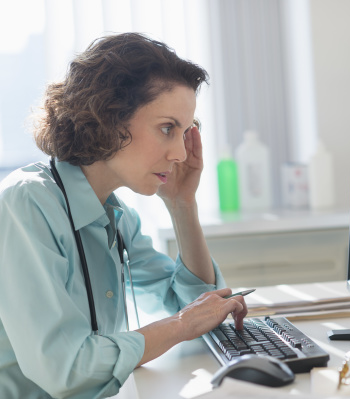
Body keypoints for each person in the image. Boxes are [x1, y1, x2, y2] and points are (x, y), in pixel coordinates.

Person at [0, 32, 248, 398]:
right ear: (110, 119)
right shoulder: (26, 204)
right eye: (167, 128)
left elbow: (197, 309)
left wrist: (183, 205)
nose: (181, 153)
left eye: (186, 132)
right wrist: (180, 325)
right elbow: (66, 370)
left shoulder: (115, 215)